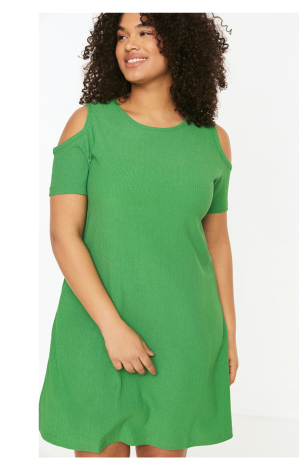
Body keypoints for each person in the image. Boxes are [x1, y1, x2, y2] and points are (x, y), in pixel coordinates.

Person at [39, 12, 238, 458]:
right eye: (121, 35)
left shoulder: (213, 140)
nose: (130, 44)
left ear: (181, 42)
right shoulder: (88, 124)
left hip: (184, 332)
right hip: (94, 330)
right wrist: (112, 328)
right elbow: (63, 234)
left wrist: (229, 329)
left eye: (145, 32)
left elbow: (217, 241)